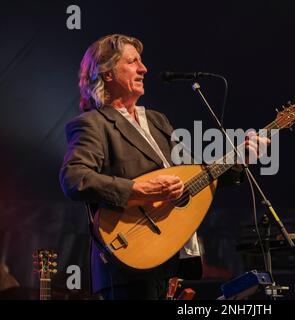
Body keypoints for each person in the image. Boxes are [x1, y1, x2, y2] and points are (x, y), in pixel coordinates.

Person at [59, 34, 270, 300]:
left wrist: (241, 161)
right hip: (127, 266)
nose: (144, 68)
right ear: (107, 73)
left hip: (168, 261)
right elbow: (74, 178)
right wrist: (137, 189)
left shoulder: (158, 121)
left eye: (142, 61)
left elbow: (196, 178)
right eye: (133, 61)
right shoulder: (93, 123)